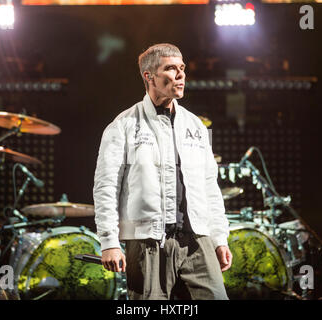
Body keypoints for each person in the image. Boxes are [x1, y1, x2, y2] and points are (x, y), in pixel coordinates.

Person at [93, 43, 232, 300]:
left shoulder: (196, 127)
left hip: (197, 240)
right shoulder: (122, 125)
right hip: (148, 243)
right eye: (170, 68)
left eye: (182, 68)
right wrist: (109, 242)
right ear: (149, 76)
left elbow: (210, 186)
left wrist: (219, 238)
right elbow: (106, 188)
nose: (181, 75)